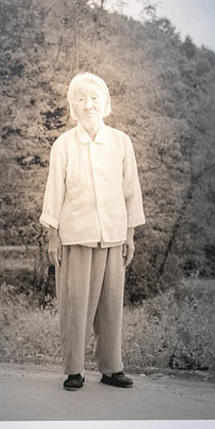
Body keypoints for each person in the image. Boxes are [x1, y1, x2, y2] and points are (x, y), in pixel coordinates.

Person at [40, 71, 146, 392]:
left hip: (114, 235)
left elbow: (131, 191)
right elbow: (54, 192)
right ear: (73, 106)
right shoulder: (64, 145)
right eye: (82, 98)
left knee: (112, 304)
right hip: (76, 236)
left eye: (95, 98)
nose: (89, 104)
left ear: (107, 103)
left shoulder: (120, 142)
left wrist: (129, 234)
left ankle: (112, 368)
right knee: (75, 305)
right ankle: (74, 370)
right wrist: (53, 234)